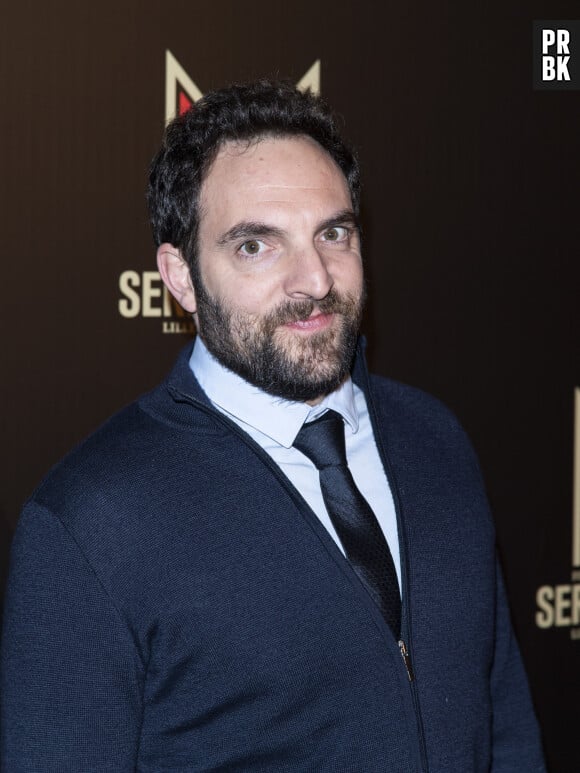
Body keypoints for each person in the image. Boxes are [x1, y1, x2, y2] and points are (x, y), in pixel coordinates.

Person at [1, 81, 545, 772]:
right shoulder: (90, 522)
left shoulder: (435, 440)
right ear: (181, 277)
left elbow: (505, 729)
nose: (314, 279)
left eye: (333, 233)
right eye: (257, 245)